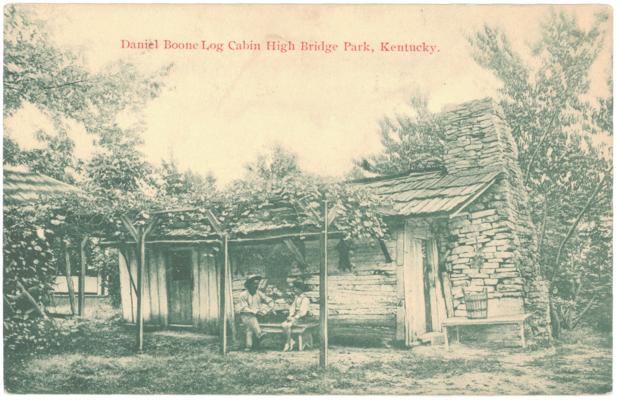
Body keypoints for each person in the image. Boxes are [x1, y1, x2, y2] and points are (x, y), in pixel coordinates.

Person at [237, 275, 273, 351]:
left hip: (259, 316)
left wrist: (266, 310)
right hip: (245, 316)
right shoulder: (243, 295)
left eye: (257, 284)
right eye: (254, 284)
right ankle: (259, 334)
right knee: (251, 319)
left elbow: (269, 301)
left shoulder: (259, 293)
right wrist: (255, 311)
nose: (256, 286)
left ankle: (249, 346)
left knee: (249, 328)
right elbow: (244, 308)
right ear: (248, 284)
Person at [282, 280, 313, 351]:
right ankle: (290, 341)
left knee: (288, 325)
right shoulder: (296, 298)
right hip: (296, 317)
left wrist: (295, 317)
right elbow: (292, 308)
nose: (294, 290)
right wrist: (290, 315)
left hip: (303, 318)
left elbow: (303, 312)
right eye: (294, 288)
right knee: (283, 324)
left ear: (300, 289)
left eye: (295, 288)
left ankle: (287, 343)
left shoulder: (305, 299)